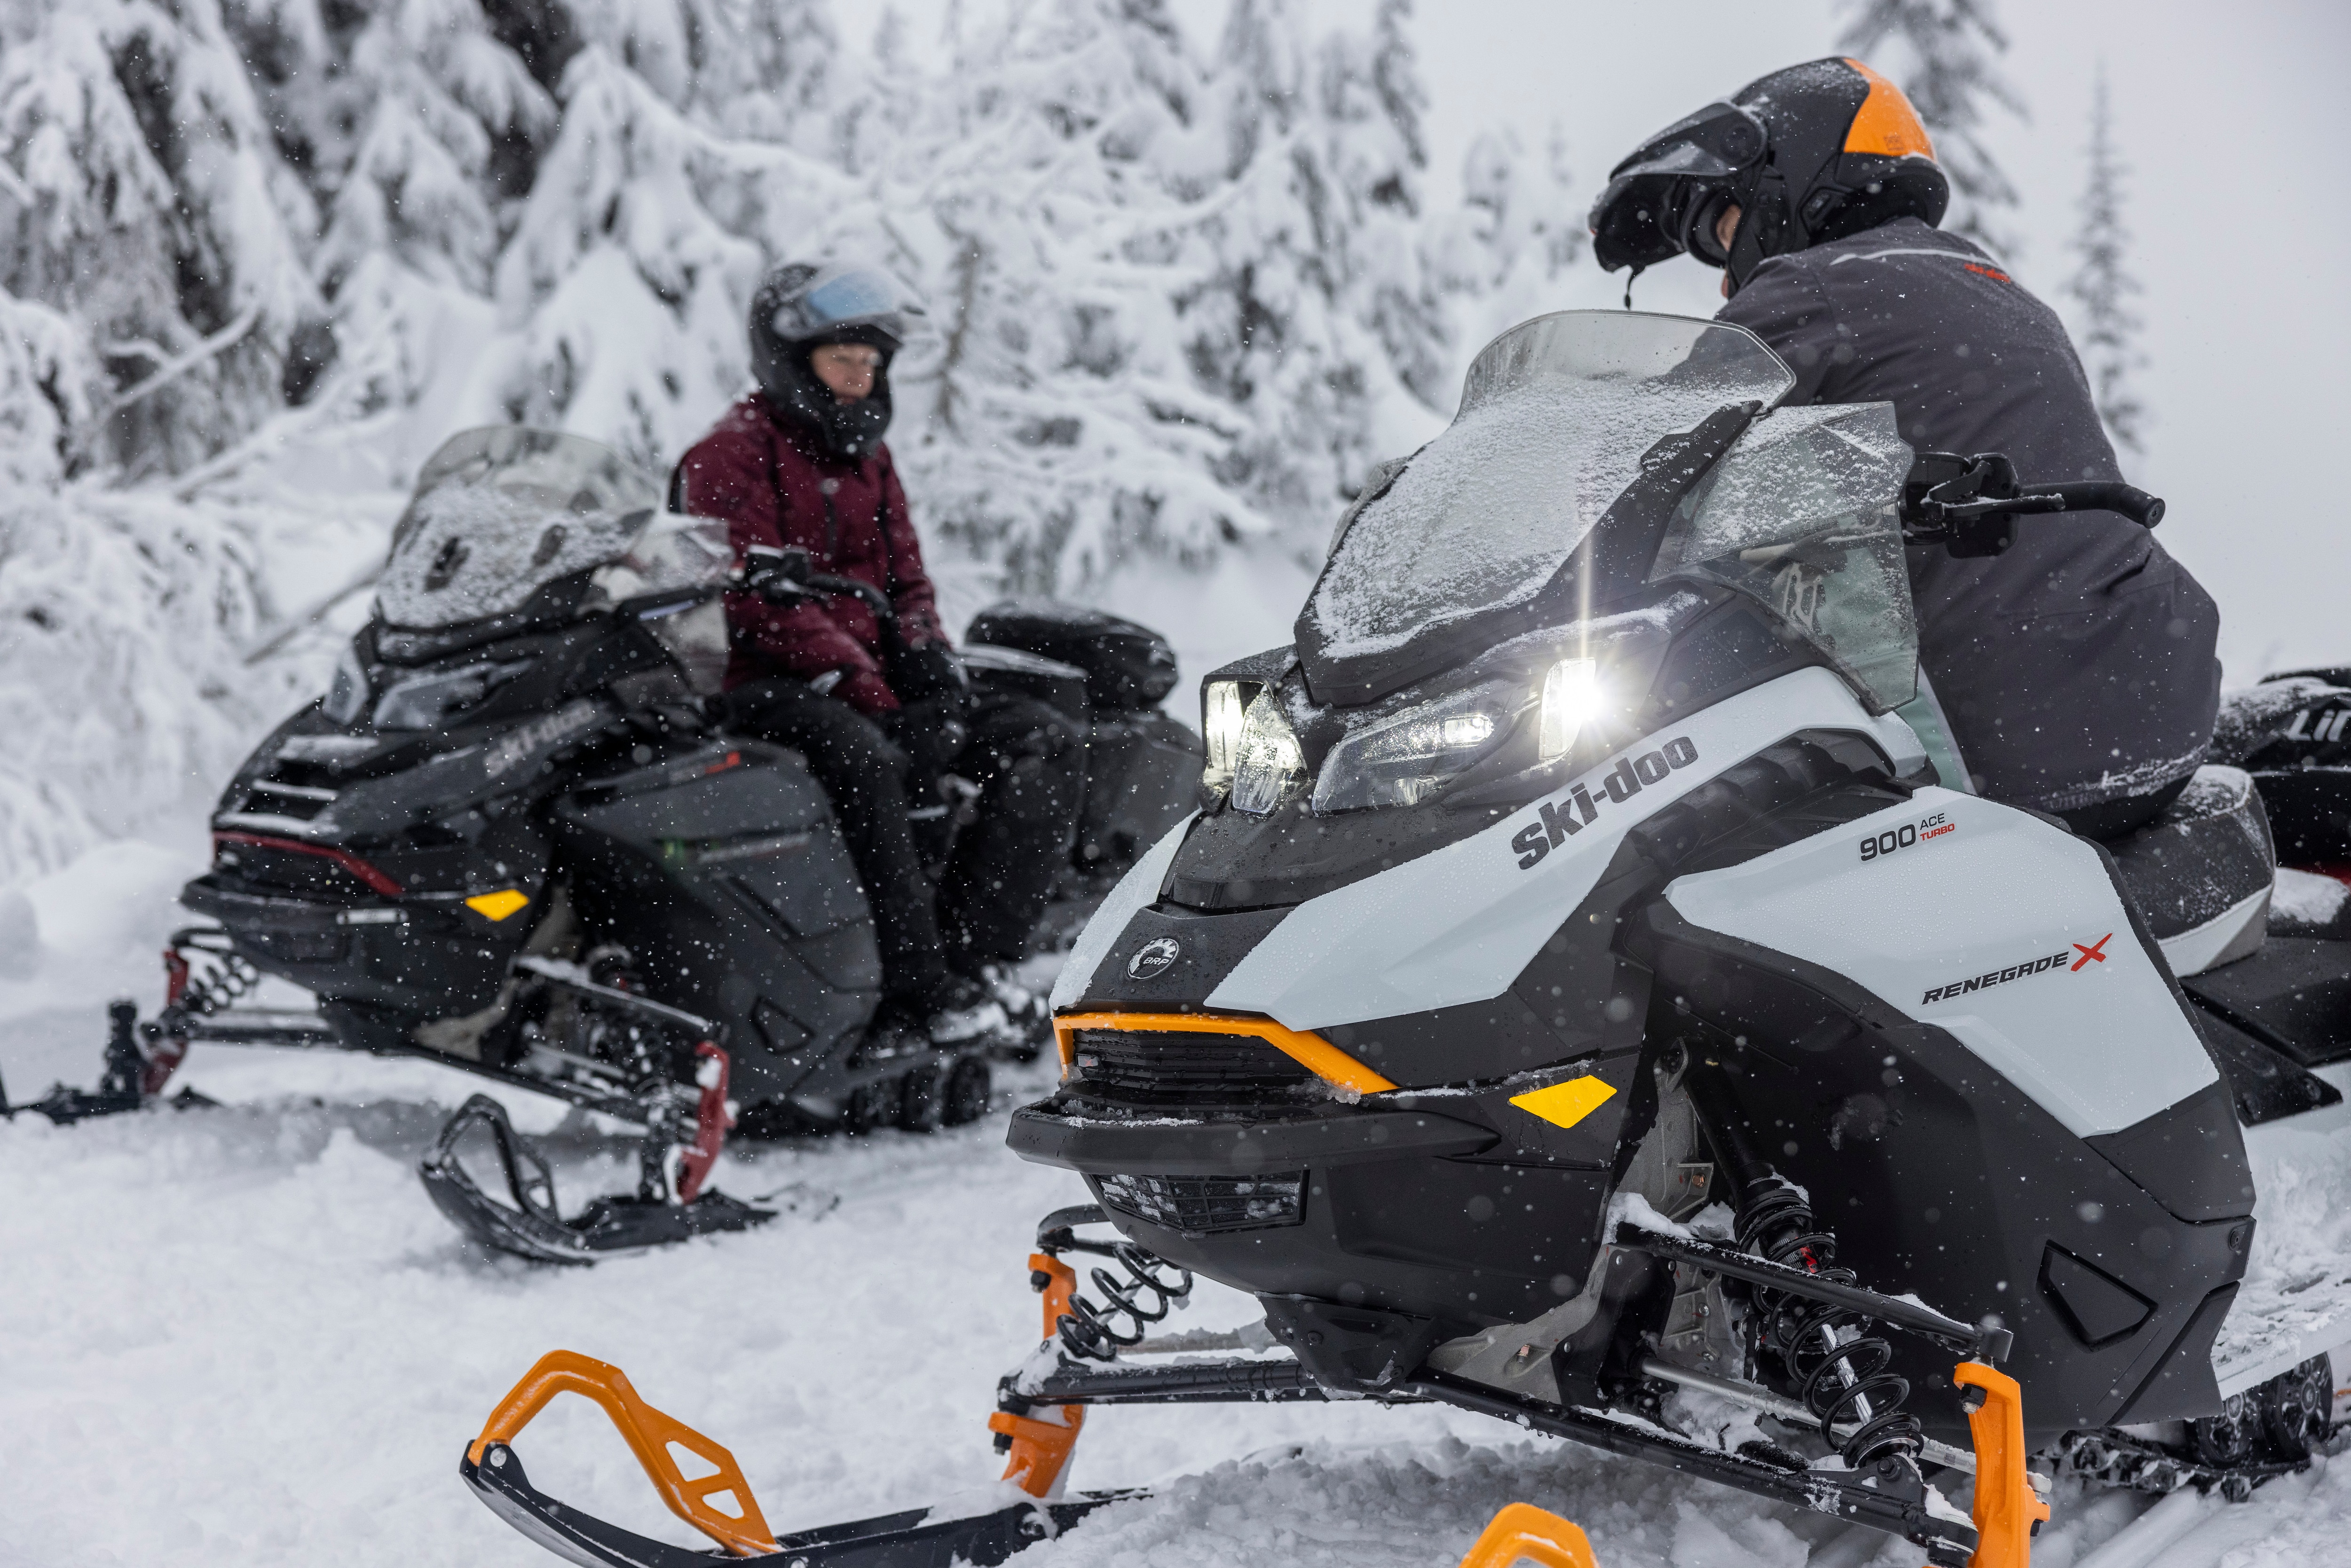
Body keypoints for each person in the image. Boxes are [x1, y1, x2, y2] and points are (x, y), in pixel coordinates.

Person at [1588, 57, 2221, 839]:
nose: (1728, 283)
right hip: (2155, 706)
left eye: (1726, 225)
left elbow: (1649, 462)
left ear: (1789, 179)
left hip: (2002, 747)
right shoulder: (1994, 287)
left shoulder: (1810, 290)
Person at [672, 261, 1080, 1046]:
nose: (859, 381)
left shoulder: (868, 458)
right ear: (791, 362)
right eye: (841, 363)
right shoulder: (728, 456)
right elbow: (748, 601)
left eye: (870, 365)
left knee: (1036, 741)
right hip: (760, 682)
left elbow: (907, 578)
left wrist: (929, 662)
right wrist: (878, 699)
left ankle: (977, 963)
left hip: (864, 678)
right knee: (870, 761)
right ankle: (914, 990)